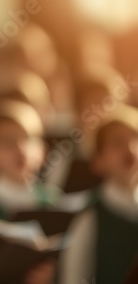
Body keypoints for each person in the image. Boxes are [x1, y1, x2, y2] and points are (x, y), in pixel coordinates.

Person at [60, 104, 138, 284]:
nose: (130, 149)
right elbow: (74, 278)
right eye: (117, 143)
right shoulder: (91, 214)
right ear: (98, 161)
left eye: (135, 138)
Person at [0, 100, 61, 220]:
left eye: (28, 139)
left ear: (43, 151)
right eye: (7, 141)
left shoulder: (54, 202)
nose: (20, 149)